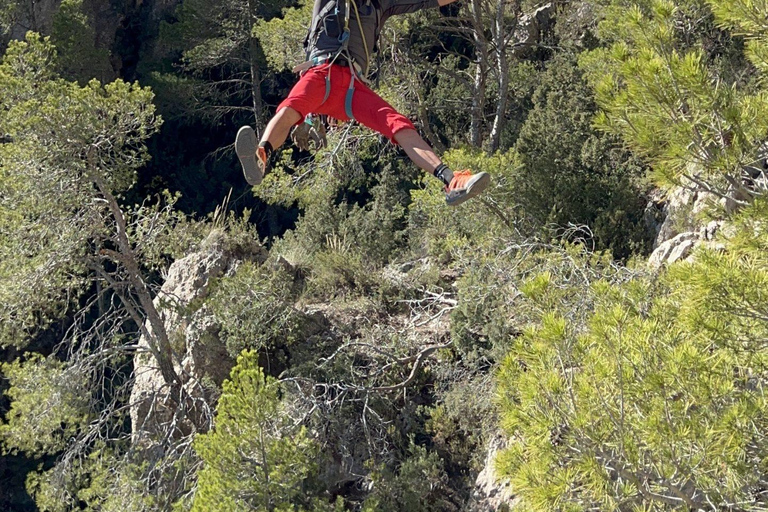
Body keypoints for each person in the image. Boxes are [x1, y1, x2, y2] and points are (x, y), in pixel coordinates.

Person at [236, 0, 490, 206]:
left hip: (352, 87)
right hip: (321, 72)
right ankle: (261, 155)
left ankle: (451, 180)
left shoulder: (382, 4)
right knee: (291, 108)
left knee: (398, 125)